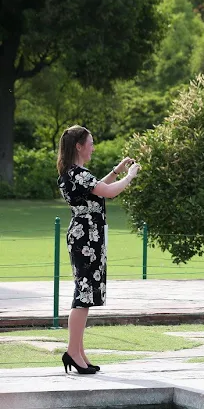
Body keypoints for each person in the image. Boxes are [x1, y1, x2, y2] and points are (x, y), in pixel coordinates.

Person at [56, 125, 140, 374]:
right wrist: (130, 176)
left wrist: (117, 170)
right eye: (90, 143)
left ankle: (78, 352)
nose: (93, 147)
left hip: (86, 236)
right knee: (83, 296)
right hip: (86, 239)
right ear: (79, 146)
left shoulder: (75, 174)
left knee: (84, 294)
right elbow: (108, 192)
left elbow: (96, 189)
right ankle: (72, 352)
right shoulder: (78, 173)